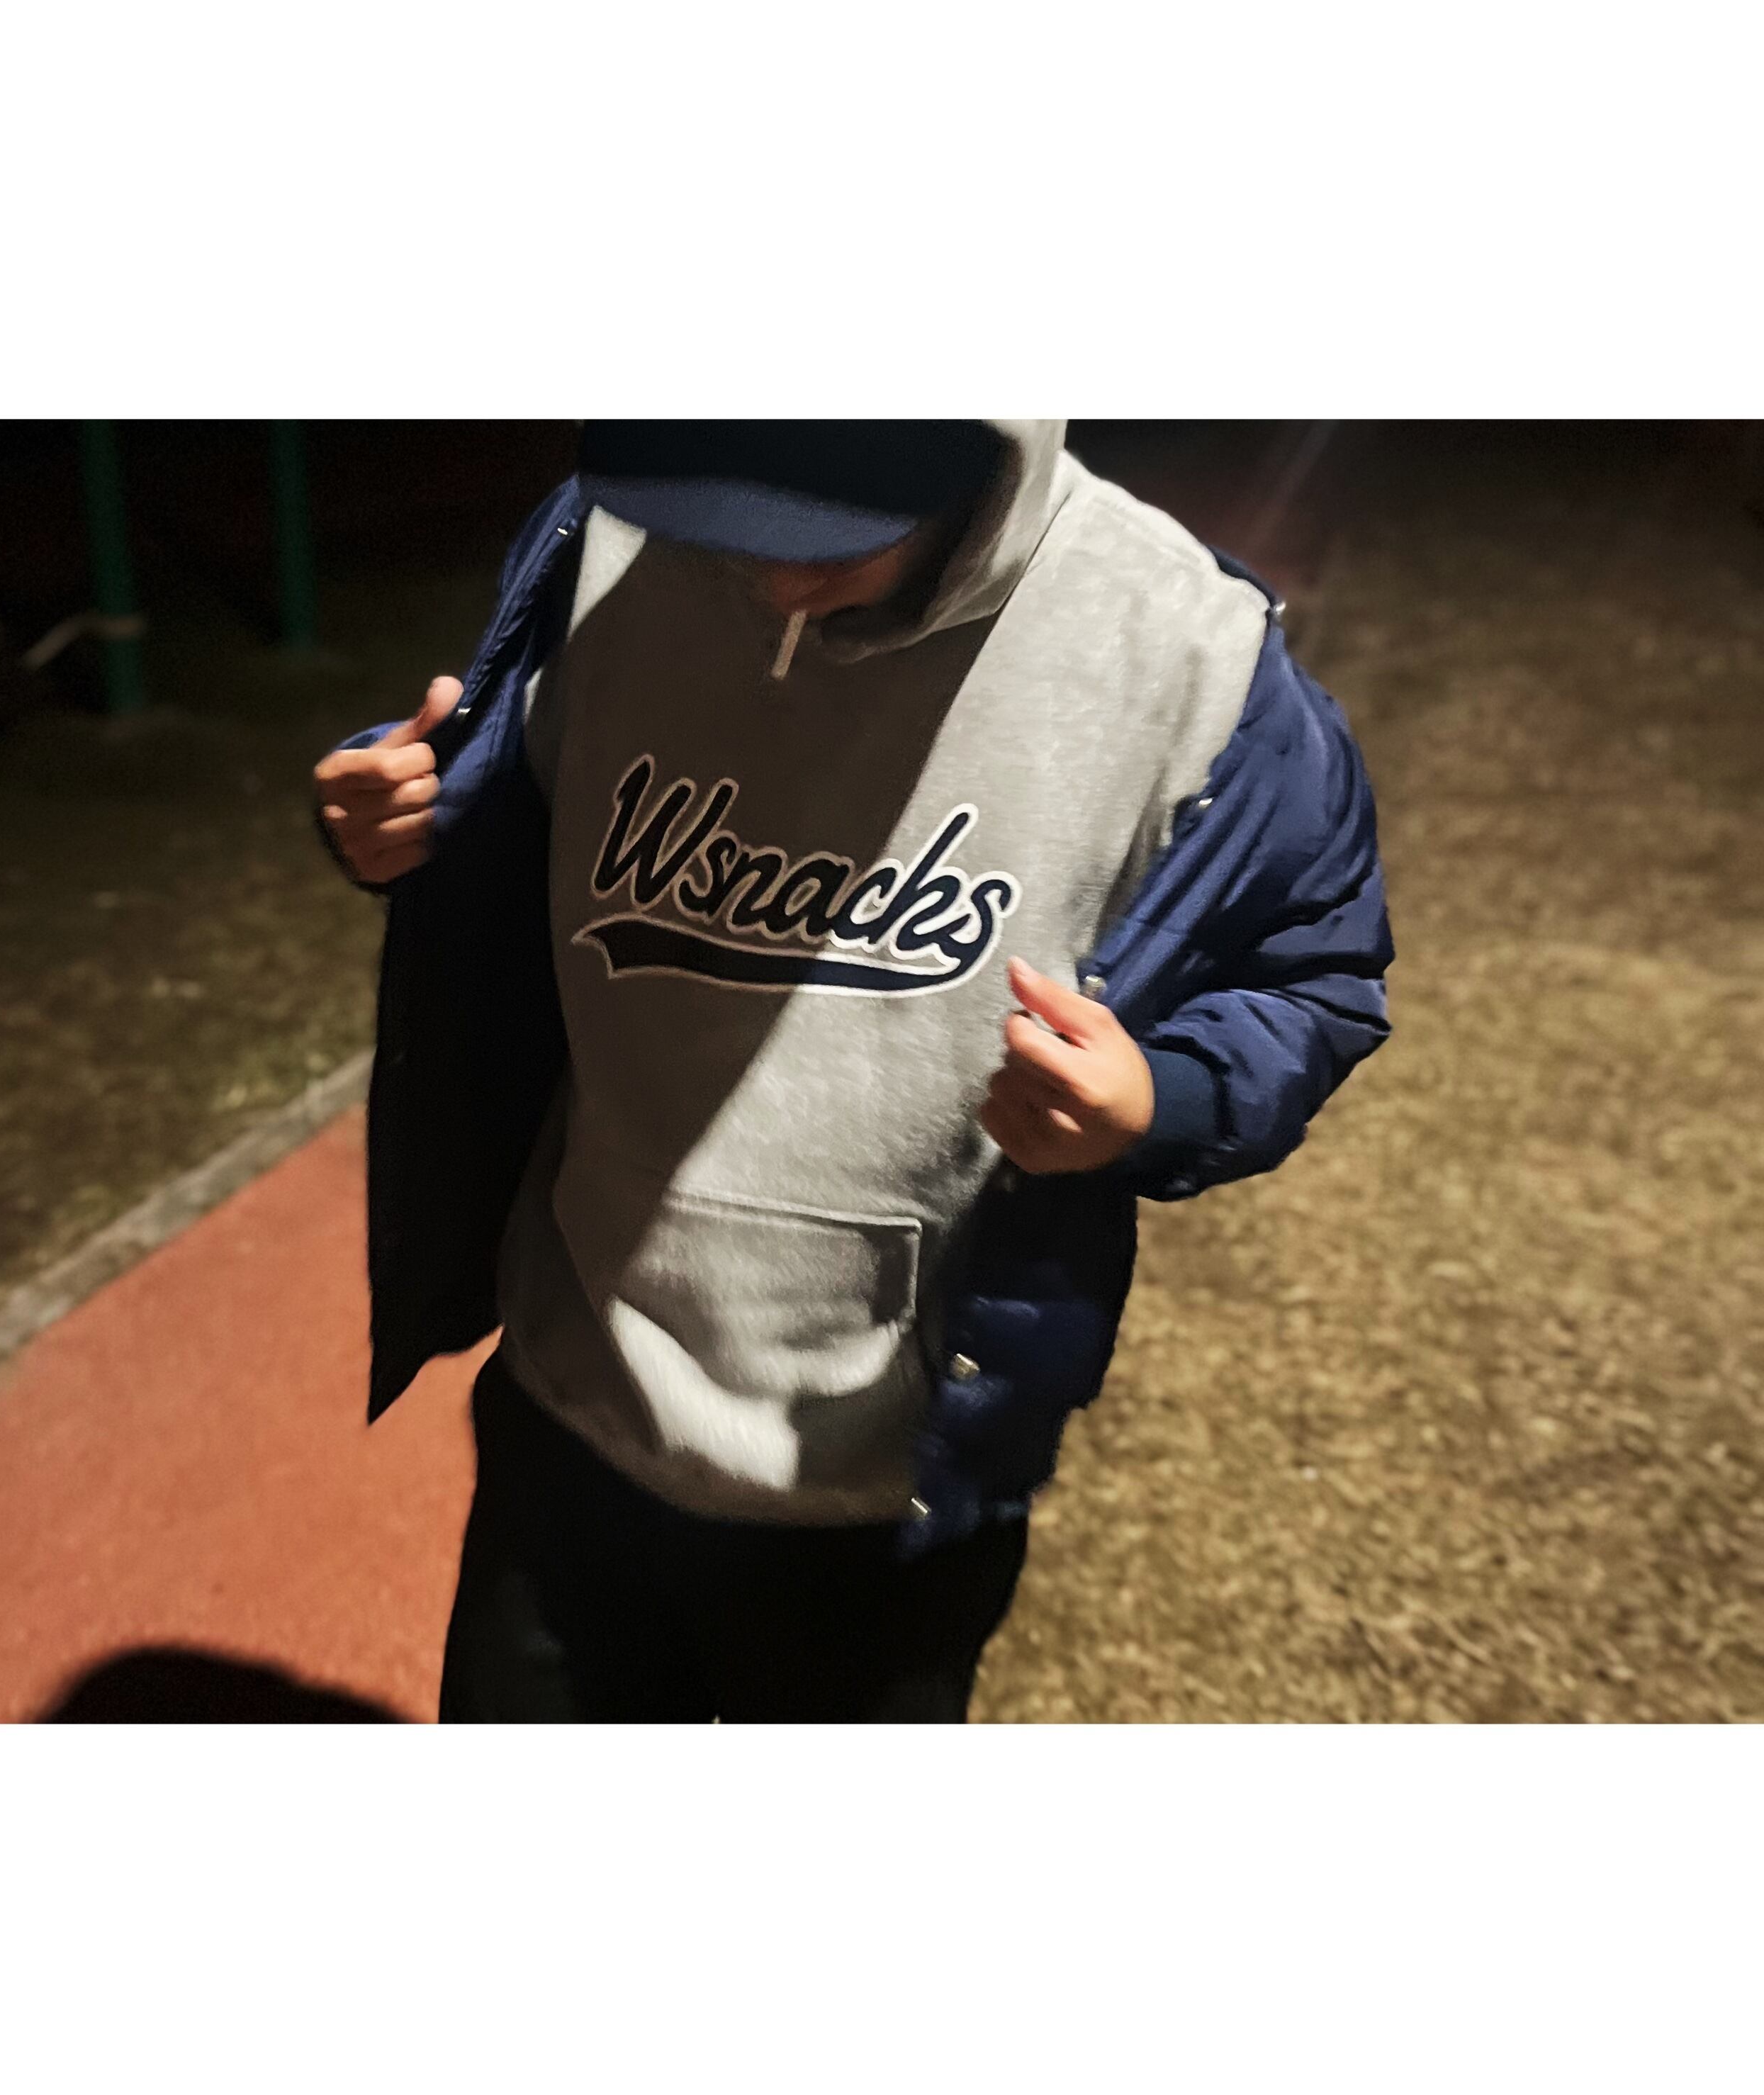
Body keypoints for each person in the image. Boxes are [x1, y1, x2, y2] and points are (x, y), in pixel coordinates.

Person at [314, 421, 1392, 1722]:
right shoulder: (608, 543)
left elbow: (1312, 970)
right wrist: (408, 811)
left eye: (831, 529)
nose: (777, 576)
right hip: (570, 1414)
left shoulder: (1187, 648)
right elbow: (511, 782)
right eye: (733, 517)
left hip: (879, 1490)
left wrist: (1163, 1100)